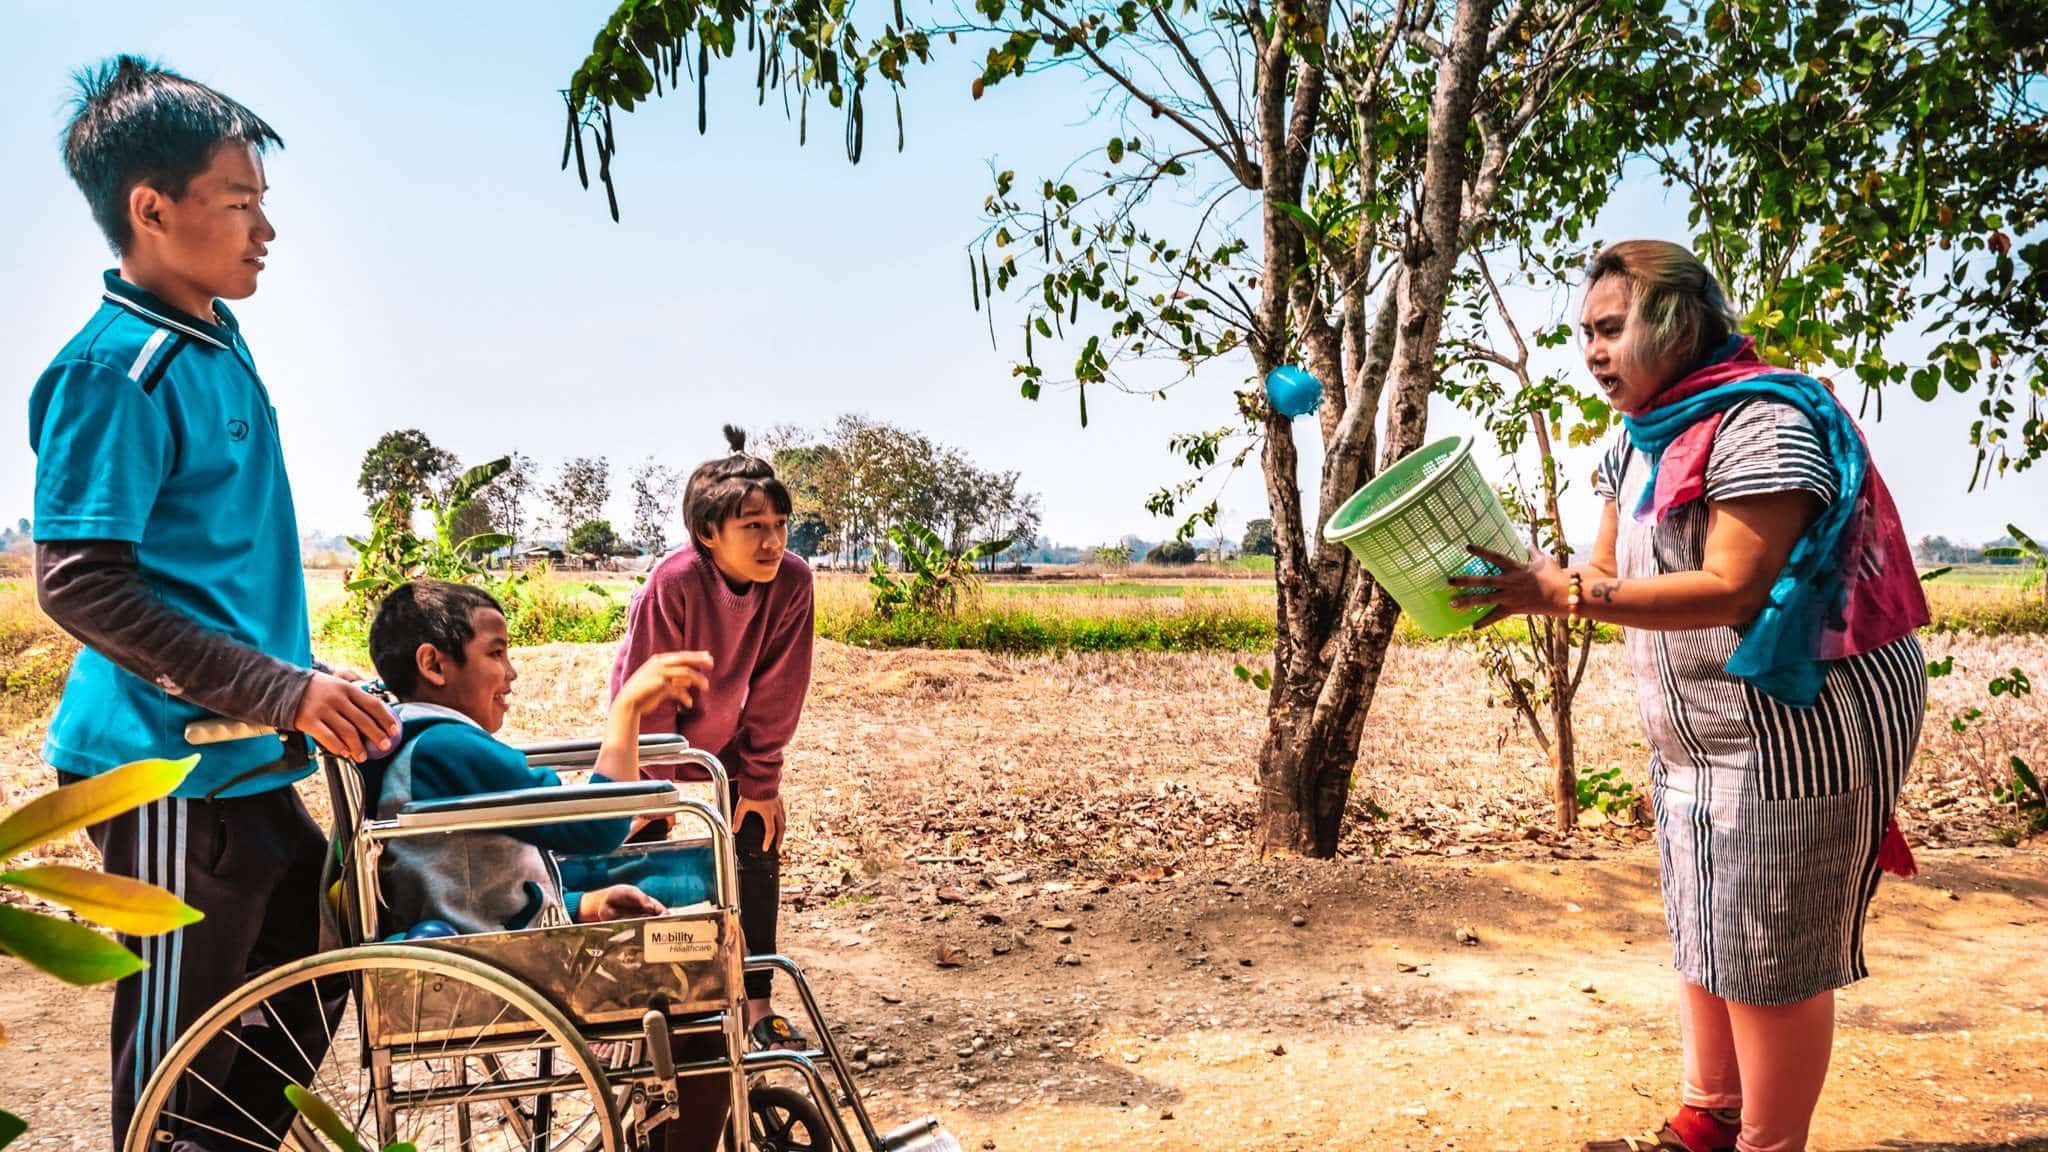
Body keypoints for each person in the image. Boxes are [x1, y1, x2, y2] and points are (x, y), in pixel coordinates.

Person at [1450, 239, 1930, 1152]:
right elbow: (1599, 574)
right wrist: (1530, 579)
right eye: (1584, 333)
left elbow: (1732, 586)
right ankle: (1707, 1120)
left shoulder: (1761, 424)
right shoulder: (1637, 442)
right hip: (1700, 731)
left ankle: (1767, 1144)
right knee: (1705, 921)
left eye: (1611, 328)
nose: (1592, 352)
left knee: (1768, 953)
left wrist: (1567, 593)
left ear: (1675, 324)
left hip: (1804, 719)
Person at [27, 56, 399, 1147]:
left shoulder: (215, 345)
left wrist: (306, 682)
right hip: (163, 768)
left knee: (313, 967)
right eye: (239, 204)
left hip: (246, 750)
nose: (264, 230)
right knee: (177, 1064)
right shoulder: (119, 370)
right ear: (152, 209)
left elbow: (216, 569)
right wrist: (278, 686)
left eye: (263, 204)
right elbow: (82, 583)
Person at [610, 425, 815, 1049]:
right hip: (655, 734)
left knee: (757, 836)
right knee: (645, 850)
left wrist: (760, 782)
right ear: (708, 533)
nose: (772, 540)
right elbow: (646, 691)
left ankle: (757, 1006)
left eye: (779, 523)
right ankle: (641, 1006)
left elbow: (780, 688)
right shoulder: (674, 583)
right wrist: (658, 793)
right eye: (753, 526)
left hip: (728, 735)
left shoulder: (793, 583)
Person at [363, 580, 711, 933]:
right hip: (483, 949)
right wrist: (628, 708)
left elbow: (483, 885)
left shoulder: (421, 737)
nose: (511, 672)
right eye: (496, 654)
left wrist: (586, 905)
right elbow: (600, 827)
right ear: (433, 665)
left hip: (480, 930)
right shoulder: (448, 747)